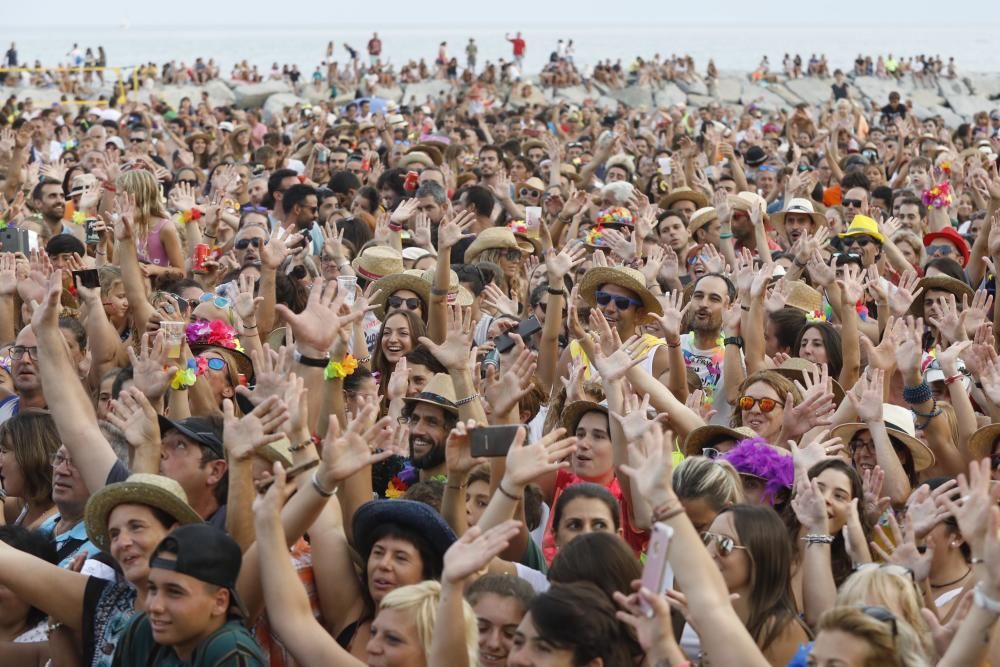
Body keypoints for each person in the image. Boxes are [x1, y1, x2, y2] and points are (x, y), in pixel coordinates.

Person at [111, 524, 264, 665]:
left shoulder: (230, 650)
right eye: (152, 589)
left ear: (220, 601)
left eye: (174, 592)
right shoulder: (142, 630)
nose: (155, 607)